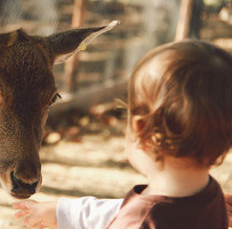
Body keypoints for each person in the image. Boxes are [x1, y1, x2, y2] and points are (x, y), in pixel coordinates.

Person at [13, 39, 232, 229]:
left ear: (140, 129)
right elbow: (131, 208)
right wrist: (66, 213)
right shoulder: (210, 197)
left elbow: (137, 214)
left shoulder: (139, 222)